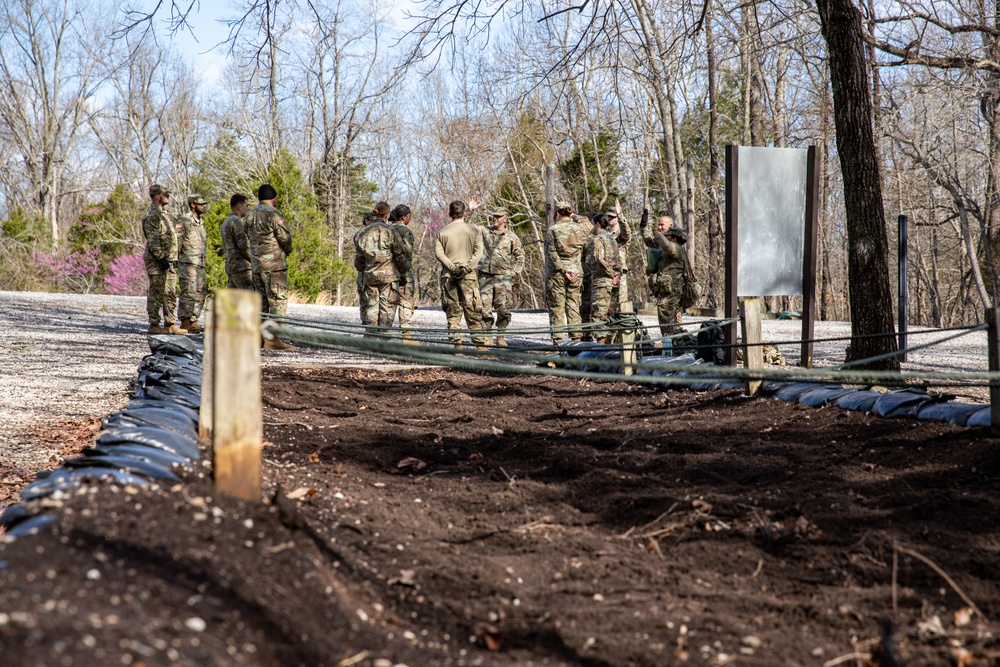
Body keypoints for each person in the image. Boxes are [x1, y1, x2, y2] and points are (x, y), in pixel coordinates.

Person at [246, 183, 295, 350]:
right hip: (273, 266)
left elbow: (247, 235)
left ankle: (259, 338)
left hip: (256, 265)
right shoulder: (274, 213)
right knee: (277, 301)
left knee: (262, 303)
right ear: (273, 199)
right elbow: (285, 237)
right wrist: (286, 251)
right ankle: (273, 338)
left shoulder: (250, 214)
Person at [435, 199, 487, 348]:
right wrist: (466, 267)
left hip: (448, 275)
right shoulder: (473, 231)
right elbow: (478, 253)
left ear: (449, 213)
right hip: (468, 275)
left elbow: (439, 254)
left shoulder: (442, 232)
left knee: (453, 310)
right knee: (473, 309)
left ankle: (457, 345)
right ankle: (480, 345)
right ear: (464, 213)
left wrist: (452, 267)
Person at [354, 202, 408, 334]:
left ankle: (371, 338)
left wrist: (364, 270)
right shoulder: (391, 232)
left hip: (370, 275)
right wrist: (403, 273)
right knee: (387, 307)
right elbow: (400, 255)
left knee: (371, 306)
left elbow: (359, 259)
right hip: (389, 277)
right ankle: (384, 339)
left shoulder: (363, 233)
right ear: (388, 214)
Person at [142, 184, 187, 335]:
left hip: (170, 259)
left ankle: (170, 323)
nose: (168, 196)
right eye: (165, 194)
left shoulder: (165, 214)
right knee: (157, 292)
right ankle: (154, 324)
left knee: (170, 293)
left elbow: (172, 235)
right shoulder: (152, 215)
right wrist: (161, 257)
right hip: (157, 261)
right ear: (157, 196)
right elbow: (153, 240)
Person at [477, 206, 524, 347]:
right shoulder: (485, 231)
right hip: (485, 275)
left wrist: (514, 271)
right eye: (494, 216)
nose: (495, 219)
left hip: (503, 277)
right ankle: (488, 336)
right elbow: (467, 228)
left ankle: (501, 336)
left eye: (498, 216)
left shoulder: (511, 237)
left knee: (503, 308)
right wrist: (471, 210)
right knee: (484, 308)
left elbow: (520, 255)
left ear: (505, 218)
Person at [545, 200, 590, 344]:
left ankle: (557, 343)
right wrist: (576, 217)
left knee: (557, 308)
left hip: (557, 274)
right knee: (573, 306)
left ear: (557, 214)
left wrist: (563, 270)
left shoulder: (553, 230)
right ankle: (575, 342)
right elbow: (590, 226)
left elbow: (552, 254)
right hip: (576, 272)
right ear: (570, 213)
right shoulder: (581, 229)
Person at [640, 209, 687, 337]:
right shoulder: (665, 243)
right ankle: (676, 343)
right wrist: (643, 227)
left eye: (662, 225)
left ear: (671, 228)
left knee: (667, 321)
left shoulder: (674, 247)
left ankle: (672, 344)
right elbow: (650, 241)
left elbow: (665, 244)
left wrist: (657, 232)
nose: (660, 227)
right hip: (666, 290)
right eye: (658, 225)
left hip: (671, 291)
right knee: (671, 321)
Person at [584, 214, 622, 344]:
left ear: (597, 224)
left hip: (602, 281)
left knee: (599, 314)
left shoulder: (598, 239)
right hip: (614, 282)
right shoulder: (612, 239)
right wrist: (617, 274)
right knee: (610, 314)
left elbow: (599, 259)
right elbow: (618, 260)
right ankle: (610, 343)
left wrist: (611, 273)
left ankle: (601, 345)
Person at [176, 194, 208, 333]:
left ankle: (193, 320)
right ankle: (185, 320)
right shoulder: (184, 220)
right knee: (189, 291)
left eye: (204, 204)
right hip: (188, 263)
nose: (204, 206)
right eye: (201, 204)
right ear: (193, 205)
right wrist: (175, 259)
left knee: (201, 290)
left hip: (199, 262)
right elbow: (177, 241)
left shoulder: (200, 222)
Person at [388, 204, 417, 340]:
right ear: (404, 217)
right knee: (405, 302)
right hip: (404, 270)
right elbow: (407, 252)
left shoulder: (387, 229)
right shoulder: (406, 231)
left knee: (388, 302)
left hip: (388, 270)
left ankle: (383, 333)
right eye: (409, 215)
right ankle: (406, 335)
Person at [221, 193, 253, 290]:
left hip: (231, 268)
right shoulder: (236, 221)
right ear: (239, 207)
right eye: (246, 206)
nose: (247, 208)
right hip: (242, 268)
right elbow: (243, 245)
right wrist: (255, 260)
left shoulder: (225, 223)